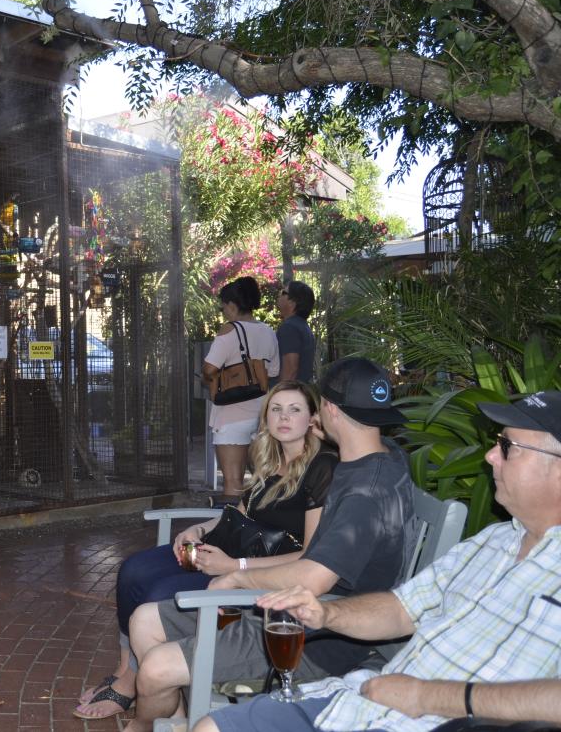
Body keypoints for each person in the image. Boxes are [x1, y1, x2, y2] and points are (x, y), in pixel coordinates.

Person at [194, 390, 561, 732]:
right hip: (363, 698)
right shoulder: (493, 541)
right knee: (210, 727)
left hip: (426, 717)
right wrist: (326, 615)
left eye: (508, 447)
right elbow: (403, 609)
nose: (490, 455)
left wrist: (426, 696)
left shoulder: (360, 479)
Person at [124, 358, 416, 732]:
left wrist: (237, 575)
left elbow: (315, 577)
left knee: (154, 669)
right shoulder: (380, 456)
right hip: (293, 606)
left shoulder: (363, 491)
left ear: (327, 409)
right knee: (144, 620)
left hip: (317, 635)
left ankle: (146, 725)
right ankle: (176, 721)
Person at [74, 381, 338, 720]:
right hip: (224, 552)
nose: (284, 417)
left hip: (257, 573)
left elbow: (311, 553)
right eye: (276, 409)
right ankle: (128, 671)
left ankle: (143, 686)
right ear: (266, 417)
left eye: (295, 410)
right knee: (132, 571)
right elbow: (239, 514)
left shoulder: (322, 468)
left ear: (313, 419)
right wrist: (198, 529)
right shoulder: (271, 459)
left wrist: (234, 566)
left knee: (157, 592)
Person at [205, 276, 281, 501]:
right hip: (260, 412)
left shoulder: (229, 330)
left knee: (233, 480)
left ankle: (233, 532)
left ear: (232, 305)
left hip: (230, 416)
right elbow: (274, 371)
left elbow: (209, 369)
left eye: (224, 306)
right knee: (260, 477)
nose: (224, 311)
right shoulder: (268, 331)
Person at [276, 280, 316, 382]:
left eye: (283, 293)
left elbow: (290, 371)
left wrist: (281, 395)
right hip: (300, 391)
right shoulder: (302, 326)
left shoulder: (289, 328)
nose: (279, 295)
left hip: (290, 394)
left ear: (292, 302)